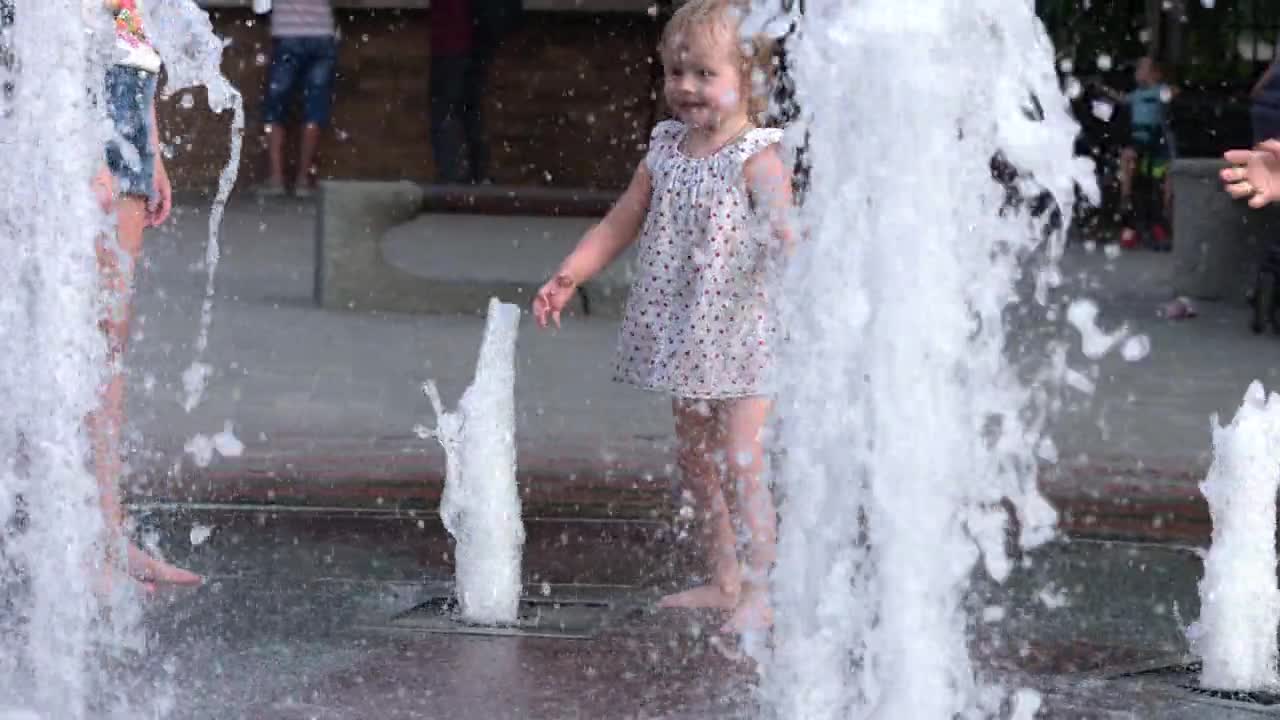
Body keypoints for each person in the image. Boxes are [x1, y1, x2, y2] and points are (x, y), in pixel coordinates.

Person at [532, 0, 792, 633]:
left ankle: (764, 589)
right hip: (686, 334)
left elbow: (787, 230)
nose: (686, 87)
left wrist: (798, 253)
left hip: (744, 332)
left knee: (742, 458)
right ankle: (725, 579)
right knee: (696, 459)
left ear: (747, 78)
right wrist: (571, 273)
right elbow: (623, 219)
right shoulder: (666, 148)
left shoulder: (756, 155)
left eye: (705, 73)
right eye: (676, 73)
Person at [90, 0, 202, 588]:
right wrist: (87, 152)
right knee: (61, 340)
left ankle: (107, 533)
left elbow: (139, 47)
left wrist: (151, 152)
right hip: (77, 128)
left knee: (107, 343)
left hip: (128, 133)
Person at [429, 0, 519, 184]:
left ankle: (454, 177)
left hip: (452, 39)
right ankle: (477, 174)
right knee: (469, 108)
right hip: (476, 39)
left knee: (446, 108)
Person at [257, 0, 338, 198]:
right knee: (314, 107)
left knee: (276, 106)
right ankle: (303, 179)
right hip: (321, 32)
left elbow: (260, 4)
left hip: (286, 33)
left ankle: (276, 178)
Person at [1096, 57, 1177, 251]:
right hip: (1139, 139)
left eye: (1142, 69)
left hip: (1156, 138)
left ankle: (1164, 211)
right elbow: (1122, 98)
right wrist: (1103, 89)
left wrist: (1164, 88)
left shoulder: (1159, 91)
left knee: (1167, 171)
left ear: (1155, 73)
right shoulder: (1137, 94)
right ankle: (1126, 195)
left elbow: (1172, 93)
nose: (1137, 72)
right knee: (1128, 156)